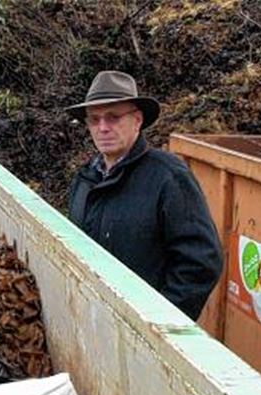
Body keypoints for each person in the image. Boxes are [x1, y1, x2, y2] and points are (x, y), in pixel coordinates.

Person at [65, 70, 223, 320]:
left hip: (142, 332)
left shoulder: (169, 177)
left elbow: (201, 262)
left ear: (137, 120)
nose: (102, 128)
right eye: (94, 119)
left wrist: (161, 322)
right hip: (93, 320)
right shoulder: (85, 179)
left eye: (113, 117)